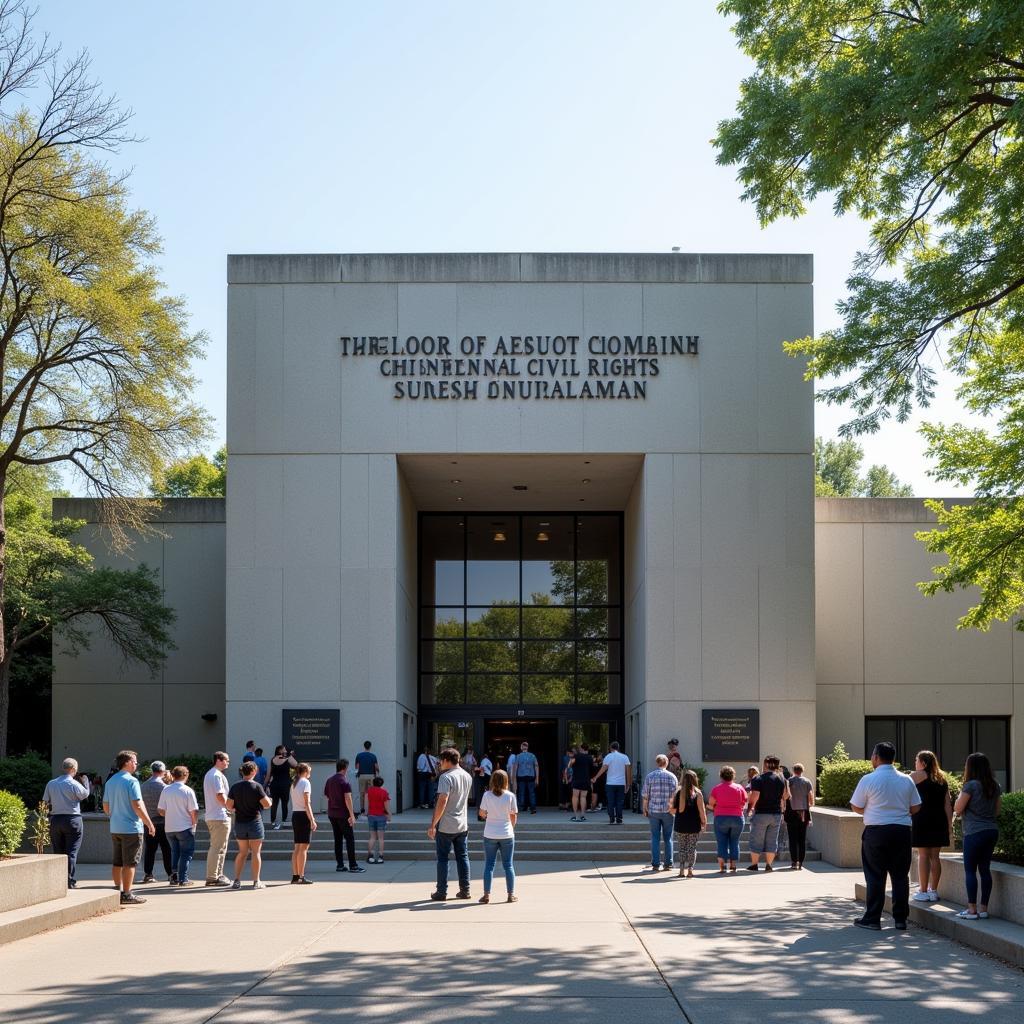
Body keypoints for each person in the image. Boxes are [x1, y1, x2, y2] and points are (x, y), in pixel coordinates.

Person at [850, 740, 922, 931]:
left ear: (875, 757)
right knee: (900, 876)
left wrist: (871, 810)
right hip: (901, 831)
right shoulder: (906, 779)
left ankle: (873, 918)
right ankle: (900, 919)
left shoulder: (868, 779)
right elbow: (916, 806)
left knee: (875, 875)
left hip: (876, 831)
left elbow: (856, 805)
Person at [102, 750, 156, 905]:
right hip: (131, 828)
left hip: (116, 827)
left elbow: (106, 807)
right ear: (126, 762)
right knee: (130, 863)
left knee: (117, 862)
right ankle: (127, 894)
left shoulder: (111, 781)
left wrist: (115, 814)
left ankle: (117, 890)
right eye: (134, 761)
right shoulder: (132, 781)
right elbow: (137, 805)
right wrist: (149, 823)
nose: (136, 763)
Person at [954, 751, 1002, 921]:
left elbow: (958, 808)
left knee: (970, 870)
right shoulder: (995, 785)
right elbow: (997, 811)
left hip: (974, 832)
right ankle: (983, 909)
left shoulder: (970, 786)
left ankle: (971, 910)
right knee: (985, 870)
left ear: (970, 767)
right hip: (991, 831)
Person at [428, 747, 472, 901]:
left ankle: (441, 891)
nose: (440, 764)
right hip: (462, 824)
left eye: (441, 761)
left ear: (447, 760)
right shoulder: (467, 776)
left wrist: (433, 824)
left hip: (446, 824)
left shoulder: (446, 778)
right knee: (463, 857)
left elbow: (442, 800)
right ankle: (465, 890)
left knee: (442, 858)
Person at [909, 750, 952, 902]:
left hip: (922, 819)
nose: (915, 763)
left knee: (923, 855)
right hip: (939, 820)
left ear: (924, 763)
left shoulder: (916, 775)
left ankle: (922, 890)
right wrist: (949, 825)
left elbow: (904, 792)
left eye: (917, 760)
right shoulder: (942, 778)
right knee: (935, 856)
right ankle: (933, 891)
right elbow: (947, 804)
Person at [43, 757, 90, 888]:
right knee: (71, 851)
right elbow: (85, 794)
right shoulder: (74, 784)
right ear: (74, 769)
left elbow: (45, 801)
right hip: (72, 819)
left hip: (55, 819)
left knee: (58, 851)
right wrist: (86, 782)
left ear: (63, 768)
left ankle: (58, 880)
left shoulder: (51, 783)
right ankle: (69, 880)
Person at [227, 760, 272, 889]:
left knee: (242, 852)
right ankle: (256, 881)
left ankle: (236, 880)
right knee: (256, 852)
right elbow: (266, 804)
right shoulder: (257, 786)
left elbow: (229, 805)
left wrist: (237, 808)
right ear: (254, 771)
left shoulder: (235, 786)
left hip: (240, 822)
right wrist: (271, 801)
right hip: (255, 822)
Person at [478, 768, 518, 903]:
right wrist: (510, 828)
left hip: (490, 833)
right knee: (508, 865)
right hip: (506, 833)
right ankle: (510, 894)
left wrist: (488, 816)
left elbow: (481, 813)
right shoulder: (510, 796)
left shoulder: (487, 795)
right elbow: (513, 816)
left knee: (489, 865)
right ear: (506, 781)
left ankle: (486, 895)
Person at [157, 766, 199, 887]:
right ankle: (183, 878)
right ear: (186, 775)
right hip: (184, 826)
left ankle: (174, 876)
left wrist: (170, 813)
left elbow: (160, 810)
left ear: (173, 775)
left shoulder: (166, 790)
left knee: (175, 852)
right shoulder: (188, 790)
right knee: (186, 853)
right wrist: (194, 823)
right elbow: (193, 811)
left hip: (169, 827)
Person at [747, 755, 790, 872]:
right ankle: (769, 865)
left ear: (766, 764)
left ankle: (754, 865)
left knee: (757, 839)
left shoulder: (758, 778)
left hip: (761, 813)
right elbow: (786, 796)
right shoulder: (782, 779)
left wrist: (749, 808)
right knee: (772, 840)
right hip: (776, 814)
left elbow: (755, 796)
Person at [323, 759, 366, 873]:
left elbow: (327, 796)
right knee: (349, 839)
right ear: (345, 768)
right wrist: (352, 815)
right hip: (343, 814)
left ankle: (340, 865)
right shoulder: (344, 782)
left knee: (338, 840)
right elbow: (348, 798)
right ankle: (353, 866)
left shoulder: (329, 780)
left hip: (332, 814)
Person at [642, 754, 678, 871]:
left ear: (657, 763)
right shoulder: (672, 776)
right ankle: (669, 863)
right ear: (666, 763)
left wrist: (644, 808)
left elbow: (646, 796)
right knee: (668, 838)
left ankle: (656, 863)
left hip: (654, 811)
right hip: (668, 811)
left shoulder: (650, 776)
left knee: (655, 837)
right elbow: (675, 795)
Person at [708, 765, 746, 873]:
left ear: (721, 776)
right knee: (734, 841)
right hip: (737, 817)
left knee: (721, 842)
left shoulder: (717, 788)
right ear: (733, 776)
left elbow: (711, 803)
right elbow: (744, 801)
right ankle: (733, 866)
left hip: (720, 817)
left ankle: (722, 866)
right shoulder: (739, 788)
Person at [203, 752, 233, 887]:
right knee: (217, 847)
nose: (228, 763)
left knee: (220, 847)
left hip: (215, 815)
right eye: (226, 760)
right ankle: (213, 877)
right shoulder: (215, 775)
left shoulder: (213, 774)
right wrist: (230, 808)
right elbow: (220, 795)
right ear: (218, 760)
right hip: (219, 816)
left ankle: (217, 875)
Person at [140, 761, 173, 883]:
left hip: (148, 822)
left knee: (149, 849)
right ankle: (170, 874)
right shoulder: (165, 787)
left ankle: (148, 874)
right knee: (167, 849)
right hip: (164, 822)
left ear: (151, 770)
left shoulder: (143, 786)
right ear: (163, 772)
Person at [671, 769, 707, 878]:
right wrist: (704, 823)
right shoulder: (698, 793)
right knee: (692, 848)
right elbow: (702, 811)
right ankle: (690, 869)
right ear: (694, 779)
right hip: (694, 825)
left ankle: (681, 869)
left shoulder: (678, 792)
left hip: (680, 824)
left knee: (682, 848)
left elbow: (672, 810)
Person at [290, 762, 318, 884]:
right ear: (305, 771)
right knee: (303, 848)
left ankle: (295, 875)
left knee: (297, 847)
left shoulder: (294, 783)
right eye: (309, 771)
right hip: (303, 816)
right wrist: (312, 819)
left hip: (295, 814)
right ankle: (301, 876)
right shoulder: (306, 782)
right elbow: (307, 804)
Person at [592, 741, 632, 824]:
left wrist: (595, 777)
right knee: (619, 801)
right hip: (621, 783)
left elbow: (604, 768)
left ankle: (611, 818)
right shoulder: (625, 757)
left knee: (610, 801)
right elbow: (628, 771)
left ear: (610, 748)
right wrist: (628, 783)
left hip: (610, 783)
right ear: (618, 748)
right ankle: (619, 819)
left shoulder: (608, 756)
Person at [785, 763, 815, 870]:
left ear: (793, 770)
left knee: (792, 839)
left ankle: (794, 862)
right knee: (802, 839)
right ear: (802, 770)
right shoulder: (807, 781)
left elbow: (785, 796)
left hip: (791, 812)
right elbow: (811, 797)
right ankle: (801, 863)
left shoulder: (789, 781)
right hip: (804, 812)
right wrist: (809, 805)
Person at [267, 745, 297, 829]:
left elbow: (268, 774)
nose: (286, 751)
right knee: (285, 803)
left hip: (274, 784)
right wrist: (290, 756)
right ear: (280, 750)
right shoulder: (287, 758)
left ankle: (273, 822)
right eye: (284, 749)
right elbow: (296, 765)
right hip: (285, 784)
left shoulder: (272, 759)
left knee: (274, 804)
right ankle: (284, 821)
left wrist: (264, 785)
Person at [366, 776, 391, 863]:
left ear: (373, 783)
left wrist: (366, 813)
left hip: (371, 815)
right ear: (382, 784)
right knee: (381, 838)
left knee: (372, 837)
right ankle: (380, 857)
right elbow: (386, 806)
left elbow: (366, 802)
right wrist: (389, 816)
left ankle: (370, 856)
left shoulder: (369, 791)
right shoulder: (384, 792)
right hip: (381, 816)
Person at [568, 744, 594, 821]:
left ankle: (576, 816)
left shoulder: (577, 756)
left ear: (581, 749)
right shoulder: (590, 758)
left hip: (577, 779)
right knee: (583, 797)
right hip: (586, 780)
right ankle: (583, 815)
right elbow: (591, 769)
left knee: (575, 797)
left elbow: (569, 765)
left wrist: (570, 761)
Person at [354, 741, 380, 817]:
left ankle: (362, 809)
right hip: (371, 776)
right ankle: (370, 809)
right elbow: (376, 767)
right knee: (371, 793)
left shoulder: (359, 755)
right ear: (370, 747)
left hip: (361, 775)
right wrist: (378, 772)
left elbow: (357, 767)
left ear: (364, 746)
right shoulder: (373, 756)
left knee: (362, 793)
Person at [514, 741, 539, 815]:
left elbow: (515, 767)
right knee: (531, 793)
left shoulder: (518, 756)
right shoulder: (532, 756)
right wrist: (537, 778)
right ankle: (533, 808)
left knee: (521, 792)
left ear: (521, 747)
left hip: (521, 776)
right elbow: (536, 766)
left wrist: (514, 778)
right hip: (531, 776)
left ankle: (521, 807)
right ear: (527, 747)